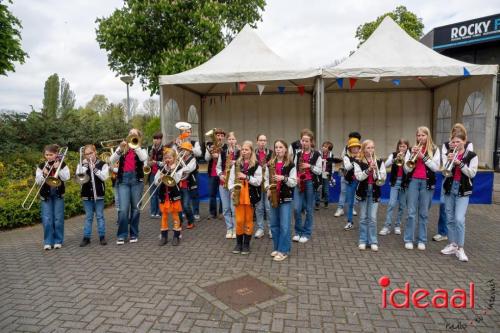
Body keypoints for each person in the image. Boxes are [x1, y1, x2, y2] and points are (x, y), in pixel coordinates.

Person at [432, 123, 474, 242]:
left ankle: (456, 237)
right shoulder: (446, 145)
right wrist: (450, 149)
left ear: (463, 134)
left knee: (458, 215)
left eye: (459, 131)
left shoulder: (469, 144)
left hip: (461, 180)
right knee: (443, 205)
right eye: (454, 131)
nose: (456, 133)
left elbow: (467, 158)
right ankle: (443, 232)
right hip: (448, 177)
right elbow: (445, 161)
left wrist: (457, 156)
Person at [440, 132, 477, 262]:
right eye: (453, 142)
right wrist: (448, 162)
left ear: (464, 141)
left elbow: (472, 173)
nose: (455, 144)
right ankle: (452, 244)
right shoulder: (448, 154)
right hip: (450, 188)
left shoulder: (471, 155)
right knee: (449, 218)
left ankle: (460, 248)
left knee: (459, 219)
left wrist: (459, 164)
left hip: (463, 189)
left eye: (458, 142)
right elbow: (444, 172)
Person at [403, 126, 440, 250]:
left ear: (428, 136)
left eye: (423, 135)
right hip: (413, 181)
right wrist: (412, 155)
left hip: (427, 183)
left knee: (424, 213)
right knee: (411, 212)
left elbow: (435, 168)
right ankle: (408, 239)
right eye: (418, 135)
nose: (420, 137)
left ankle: (422, 240)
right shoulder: (410, 149)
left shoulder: (435, 149)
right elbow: (406, 169)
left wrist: (423, 157)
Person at [110, 128, 148, 245]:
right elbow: (111, 160)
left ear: (138, 137)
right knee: (123, 209)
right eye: (130, 133)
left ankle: (133, 234)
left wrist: (135, 146)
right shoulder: (122, 148)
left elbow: (143, 159)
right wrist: (120, 149)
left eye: (134, 134)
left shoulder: (141, 149)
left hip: (137, 181)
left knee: (136, 209)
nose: (131, 135)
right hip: (123, 181)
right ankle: (122, 234)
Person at [264, 139, 297, 261]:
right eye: (276, 147)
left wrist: (283, 178)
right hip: (273, 196)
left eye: (281, 147)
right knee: (274, 225)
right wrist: (267, 187)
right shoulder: (270, 163)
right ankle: (277, 248)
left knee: (284, 225)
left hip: (285, 198)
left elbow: (294, 182)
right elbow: (266, 179)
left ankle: (284, 250)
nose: (278, 149)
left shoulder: (291, 164)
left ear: (285, 150)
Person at [229, 141, 262, 255]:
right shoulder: (236, 164)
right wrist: (232, 190)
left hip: (250, 196)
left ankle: (246, 244)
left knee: (248, 221)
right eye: (242, 149)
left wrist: (246, 177)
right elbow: (231, 179)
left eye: (246, 149)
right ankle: (238, 243)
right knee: (239, 221)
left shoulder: (257, 165)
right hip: (239, 195)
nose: (244, 151)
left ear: (251, 151)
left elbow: (258, 182)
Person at [36, 144, 70, 250]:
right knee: (47, 219)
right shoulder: (42, 166)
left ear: (56, 154)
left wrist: (58, 169)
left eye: (51, 154)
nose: (48, 157)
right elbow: (37, 182)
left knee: (58, 219)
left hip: (58, 194)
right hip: (46, 195)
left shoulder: (62, 164)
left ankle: (58, 241)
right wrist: (43, 174)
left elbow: (67, 177)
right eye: (46, 155)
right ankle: (48, 241)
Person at [354, 140, 387, 251]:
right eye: (368, 148)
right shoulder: (358, 162)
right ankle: (363, 240)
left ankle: (373, 241)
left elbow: (383, 177)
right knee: (363, 218)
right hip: (363, 190)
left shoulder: (379, 161)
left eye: (372, 148)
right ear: (363, 149)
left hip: (374, 190)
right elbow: (359, 177)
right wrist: (368, 170)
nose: (370, 150)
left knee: (372, 218)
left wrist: (377, 173)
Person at [292, 129, 322, 243]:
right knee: (296, 208)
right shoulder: (298, 153)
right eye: (303, 141)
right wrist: (296, 178)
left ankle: (306, 233)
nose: (304, 143)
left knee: (309, 209)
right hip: (299, 182)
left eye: (307, 141)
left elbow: (319, 171)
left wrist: (309, 165)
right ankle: (298, 232)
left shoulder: (317, 154)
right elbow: (294, 168)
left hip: (310, 183)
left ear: (311, 142)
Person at [77, 144, 109, 247]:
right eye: (86, 154)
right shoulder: (81, 165)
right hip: (86, 194)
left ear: (95, 152)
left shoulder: (102, 164)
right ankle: (86, 238)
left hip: (99, 194)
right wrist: (85, 168)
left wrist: (94, 169)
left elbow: (104, 177)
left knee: (100, 216)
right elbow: (79, 179)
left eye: (90, 153)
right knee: (88, 217)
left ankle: (102, 236)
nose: (88, 156)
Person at [379, 139, 410, 236]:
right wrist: (394, 159)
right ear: (398, 147)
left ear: (407, 148)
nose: (402, 148)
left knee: (402, 205)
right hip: (395, 182)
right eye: (400, 146)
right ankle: (387, 226)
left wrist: (404, 160)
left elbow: (408, 171)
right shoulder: (393, 154)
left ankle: (397, 225)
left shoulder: (410, 157)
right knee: (391, 204)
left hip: (404, 183)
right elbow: (385, 164)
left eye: (404, 146)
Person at [155, 148, 183, 246]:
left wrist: (172, 171)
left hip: (174, 195)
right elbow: (155, 181)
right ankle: (164, 236)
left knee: (176, 216)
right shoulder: (162, 169)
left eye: (170, 158)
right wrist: (160, 178)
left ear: (174, 158)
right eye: (166, 158)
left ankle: (176, 236)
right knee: (164, 216)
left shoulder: (178, 168)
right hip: (163, 195)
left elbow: (177, 180)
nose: (167, 160)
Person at [174, 124, 202, 221]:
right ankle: (184, 212)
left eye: (188, 131)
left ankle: (196, 212)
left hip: (193, 172)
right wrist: (177, 146)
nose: (186, 133)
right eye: (184, 131)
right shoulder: (177, 142)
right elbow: (173, 154)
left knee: (194, 193)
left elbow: (199, 153)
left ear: (190, 133)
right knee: (182, 193)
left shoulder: (195, 142)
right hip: (182, 173)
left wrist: (187, 147)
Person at [217, 132, 240, 238]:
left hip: (234, 183)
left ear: (236, 140)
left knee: (234, 208)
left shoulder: (240, 152)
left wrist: (235, 162)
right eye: (229, 139)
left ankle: (236, 228)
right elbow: (218, 167)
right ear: (227, 141)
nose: (231, 141)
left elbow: (243, 165)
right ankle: (229, 229)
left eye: (233, 139)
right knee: (226, 208)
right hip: (223, 183)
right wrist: (220, 174)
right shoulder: (222, 152)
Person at [335, 132, 361, 218]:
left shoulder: (360, 150)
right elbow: (342, 157)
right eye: (350, 138)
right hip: (345, 172)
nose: (349, 140)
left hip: (356, 174)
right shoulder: (346, 148)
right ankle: (340, 208)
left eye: (352, 138)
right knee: (343, 191)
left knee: (354, 192)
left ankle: (352, 208)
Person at [254, 134, 273, 239]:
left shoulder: (271, 153)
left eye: (264, 140)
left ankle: (271, 228)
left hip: (267, 183)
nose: (262, 142)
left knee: (268, 207)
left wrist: (269, 164)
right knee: (259, 207)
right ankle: (260, 228)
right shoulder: (253, 153)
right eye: (260, 140)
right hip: (257, 183)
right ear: (257, 141)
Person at [205, 128, 226, 219]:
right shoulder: (210, 145)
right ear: (215, 136)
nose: (220, 137)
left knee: (223, 194)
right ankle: (212, 213)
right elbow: (206, 159)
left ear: (224, 137)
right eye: (218, 135)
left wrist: (219, 155)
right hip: (213, 173)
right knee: (212, 194)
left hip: (222, 173)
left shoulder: (226, 147)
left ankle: (222, 212)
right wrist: (210, 153)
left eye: (221, 135)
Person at [342, 138, 361, 231]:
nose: (354, 148)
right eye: (352, 147)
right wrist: (355, 161)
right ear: (349, 148)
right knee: (350, 203)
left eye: (356, 147)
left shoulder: (362, 155)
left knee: (363, 202)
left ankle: (364, 221)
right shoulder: (346, 156)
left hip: (361, 182)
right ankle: (350, 222)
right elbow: (347, 167)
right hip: (351, 182)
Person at [178, 142, 198, 229]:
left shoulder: (192, 159)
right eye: (182, 149)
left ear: (190, 151)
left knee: (186, 205)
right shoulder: (178, 158)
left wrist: (180, 162)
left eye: (186, 150)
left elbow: (189, 169)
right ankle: (179, 222)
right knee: (178, 205)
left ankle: (191, 221)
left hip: (187, 185)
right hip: (178, 184)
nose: (184, 151)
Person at [316, 141, 341, 209]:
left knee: (326, 189)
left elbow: (333, 165)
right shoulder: (318, 154)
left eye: (326, 147)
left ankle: (326, 202)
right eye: (323, 146)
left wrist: (331, 174)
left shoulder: (331, 155)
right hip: (319, 173)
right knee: (318, 189)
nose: (323, 148)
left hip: (327, 174)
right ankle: (317, 203)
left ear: (329, 149)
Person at [147, 132, 163, 218]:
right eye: (154, 138)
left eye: (157, 139)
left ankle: (159, 212)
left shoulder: (164, 149)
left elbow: (164, 163)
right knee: (152, 193)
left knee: (159, 193)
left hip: (160, 173)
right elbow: (147, 161)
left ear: (161, 140)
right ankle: (153, 212)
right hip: (152, 173)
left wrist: (156, 162)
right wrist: (149, 163)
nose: (155, 140)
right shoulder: (150, 148)